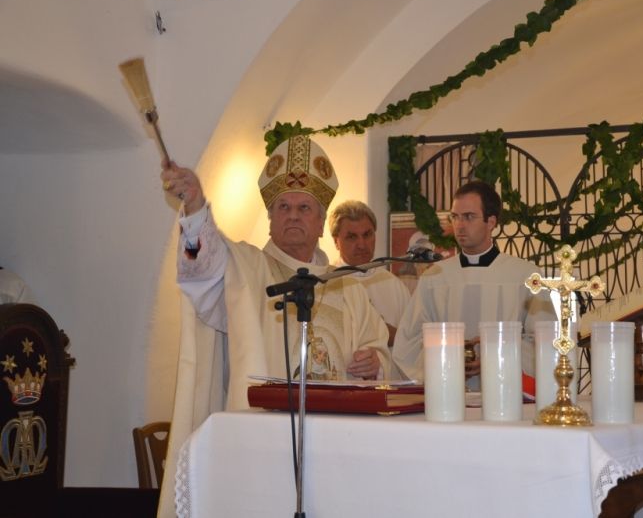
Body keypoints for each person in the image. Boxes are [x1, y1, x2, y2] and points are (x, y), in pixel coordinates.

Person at [157, 135, 390, 518]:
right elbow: (202, 266)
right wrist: (195, 207)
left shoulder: (347, 285)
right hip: (265, 442)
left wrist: (375, 361)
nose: (293, 215)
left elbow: (379, 348)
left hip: (338, 443)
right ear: (270, 217)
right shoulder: (246, 267)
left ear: (321, 224)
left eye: (304, 207)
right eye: (283, 206)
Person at [392, 180, 557, 387]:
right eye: (455, 217)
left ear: (491, 222)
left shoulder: (524, 275)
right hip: (448, 392)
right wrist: (447, 359)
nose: (460, 225)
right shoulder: (434, 277)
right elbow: (409, 343)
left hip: (505, 392)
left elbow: (545, 341)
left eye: (469, 217)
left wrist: (496, 357)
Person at [329, 200, 410, 348]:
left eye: (367, 235)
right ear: (336, 241)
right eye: (352, 237)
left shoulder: (393, 285)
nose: (362, 244)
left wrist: (394, 336)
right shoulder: (327, 284)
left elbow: (411, 341)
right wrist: (379, 332)